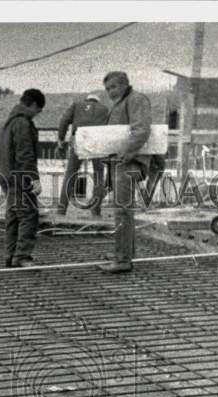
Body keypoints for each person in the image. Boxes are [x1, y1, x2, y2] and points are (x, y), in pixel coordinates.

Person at [99, 71, 152, 274]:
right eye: (107, 89)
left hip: (129, 162)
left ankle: (122, 260)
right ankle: (124, 253)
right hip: (120, 161)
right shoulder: (122, 102)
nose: (110, 92)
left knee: (122, 211)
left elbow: (141, 130)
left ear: (124, 84)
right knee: (122, 210)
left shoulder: (136, 99)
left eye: (113, 87)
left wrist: (125, 154)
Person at [0, 88, 46, 268]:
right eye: (37, 111)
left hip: (7, 176)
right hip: (19, 177)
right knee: (28, 215)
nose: (36, 115)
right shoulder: (23, 123)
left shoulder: (8, 122)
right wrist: (34, 179)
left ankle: (10, 255)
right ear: (32, 105)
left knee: (13, 217)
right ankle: (22, 256)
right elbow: (25, 154)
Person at [56, 93, 109, 217]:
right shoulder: (104, 109)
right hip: (97, 141)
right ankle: (96, 212)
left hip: (79, 139)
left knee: (70, 174)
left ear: (87, 99)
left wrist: (60, 140)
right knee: (98, 176)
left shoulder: (77, 105)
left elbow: (63, 121)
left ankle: (61, 210)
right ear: (98, 101)